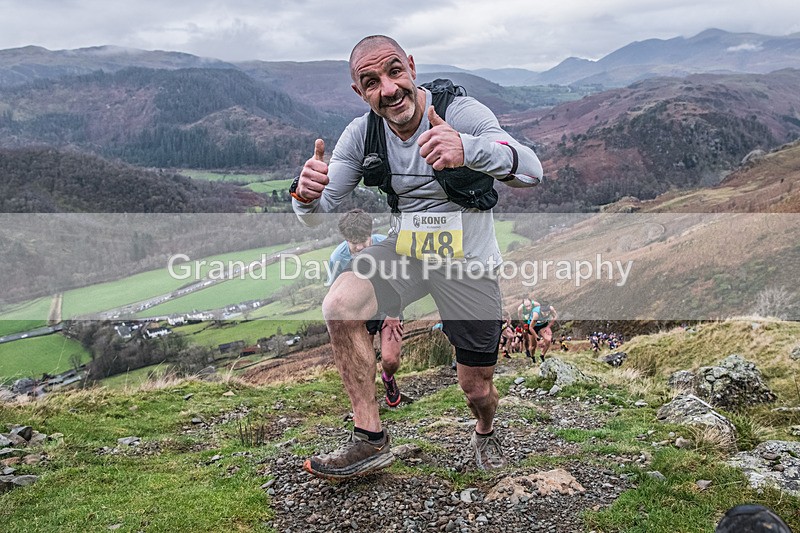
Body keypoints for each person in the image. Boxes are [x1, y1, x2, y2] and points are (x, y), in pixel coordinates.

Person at [291, 34, 543, 479]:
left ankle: (486, 429)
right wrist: (305, 196)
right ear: (360, 92)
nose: (387, 89)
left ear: (410, 66)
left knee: (476, 386)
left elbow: (530, 170)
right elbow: (318, 209)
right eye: (371, 82)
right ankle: (368, 439)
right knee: (339, 305)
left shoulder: (459, 111)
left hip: (469, 262)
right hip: (409, 250)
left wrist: (469, 149)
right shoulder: (363, 133)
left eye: (393, 71)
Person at [328, 208, 404, 408]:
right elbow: (338, 295)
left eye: (364, 241)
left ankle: (388, 378)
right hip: (361, 312)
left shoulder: (385, 245)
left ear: (371, 234)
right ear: (346, 239)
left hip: (390, 308)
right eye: (355, 243)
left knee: (391, 359)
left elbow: (400, 281)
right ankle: (367, 405)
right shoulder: (338, 259)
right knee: (361, 362)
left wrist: (393, 313)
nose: (360, 247)